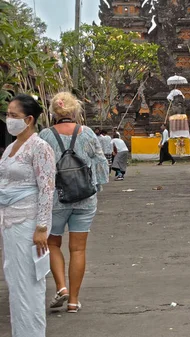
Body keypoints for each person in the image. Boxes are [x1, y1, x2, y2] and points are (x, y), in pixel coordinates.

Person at [38, 92, 109, 314]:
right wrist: (95, 188)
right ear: (75, 111)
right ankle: (73, 302)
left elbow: (40, 170)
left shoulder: (45, 135)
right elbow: (101, 165)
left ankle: (62, 287)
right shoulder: (87, 133)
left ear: (54, 113)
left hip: (56, 199)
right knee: (78, 249)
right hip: (85, 199)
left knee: (52, 244)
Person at [0, 94, 55, 336]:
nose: (9, 120)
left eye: (14, 116)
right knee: (15, 282)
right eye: (8, 115)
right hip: (9, 222)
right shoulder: (11, 148)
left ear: (29, 119)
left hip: (29, 223)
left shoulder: (40, 147)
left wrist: (42, 227)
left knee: (30, 283)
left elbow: (47, 188)